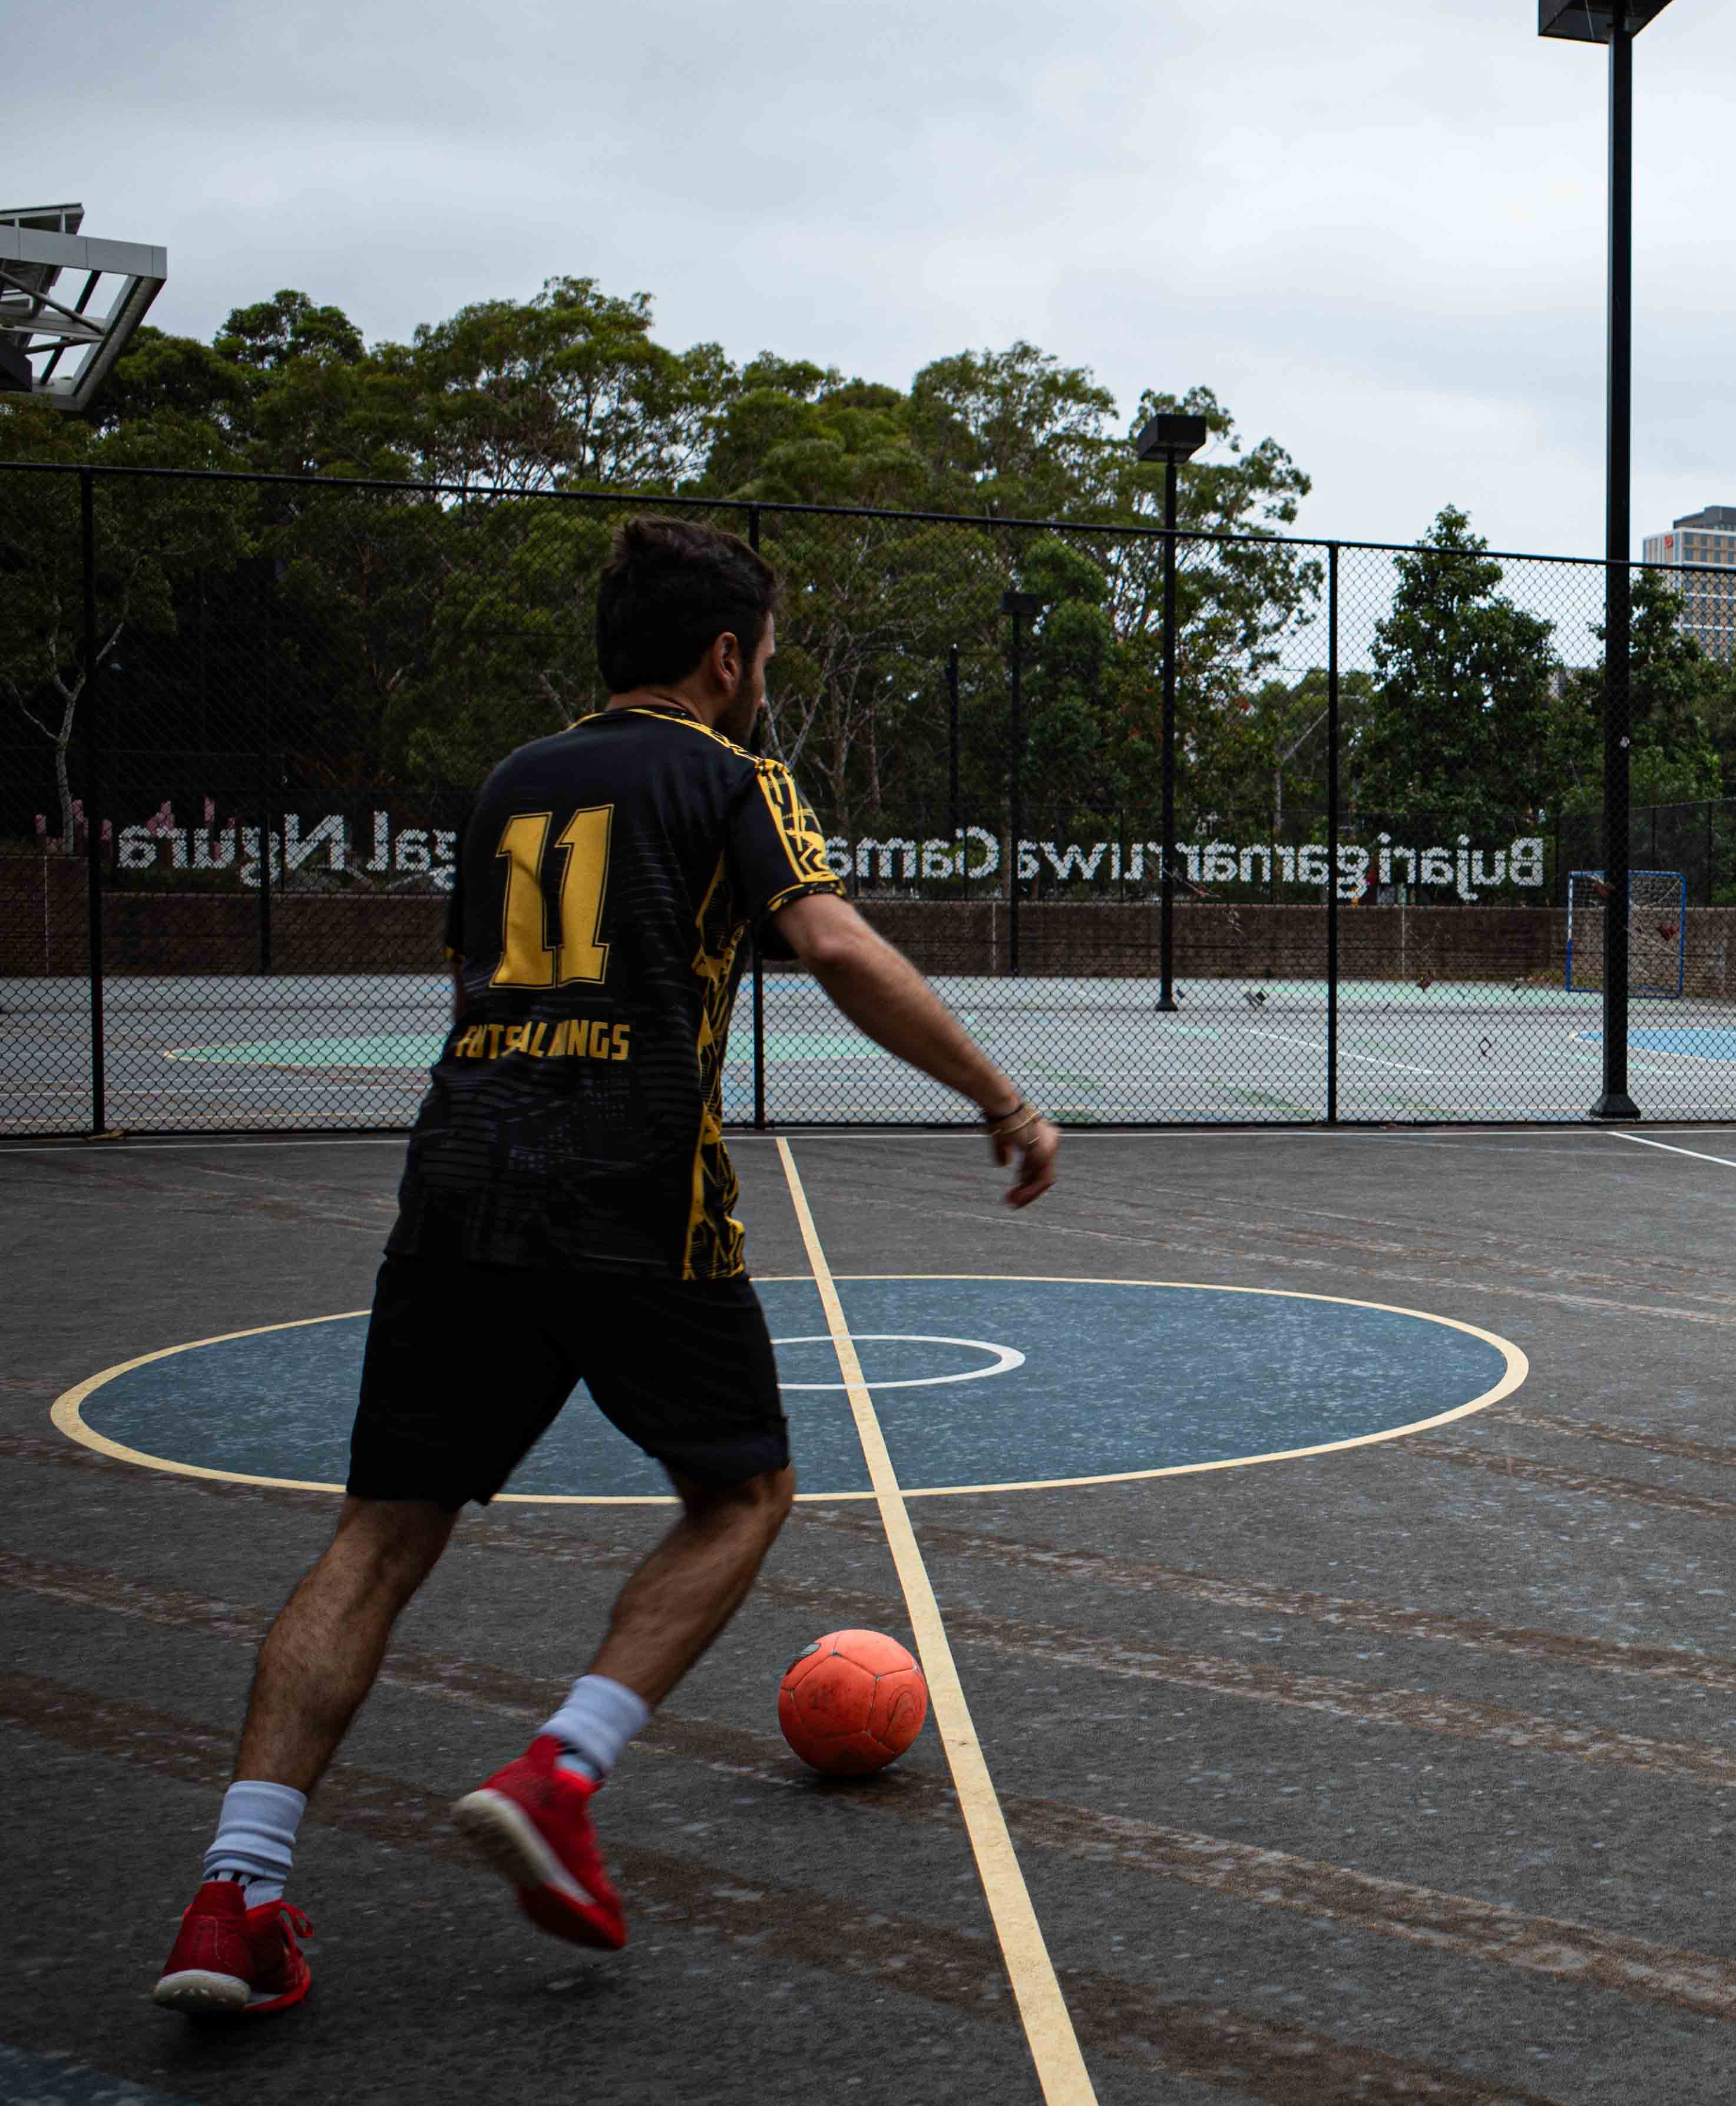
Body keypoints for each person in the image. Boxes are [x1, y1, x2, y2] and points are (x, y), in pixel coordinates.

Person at [152, 518, 1063, 2018]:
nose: (764, 680)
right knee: (744, 1490)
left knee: (379, 1536)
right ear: (725, 657)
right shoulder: (729, 772)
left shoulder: (511, 783)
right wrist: (1001, 1097)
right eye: (764, 655)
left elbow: (476, 982)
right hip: (633, 1181)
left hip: (459, 1174)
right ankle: (561, 1771)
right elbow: (830, 944)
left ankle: (233, 1891)